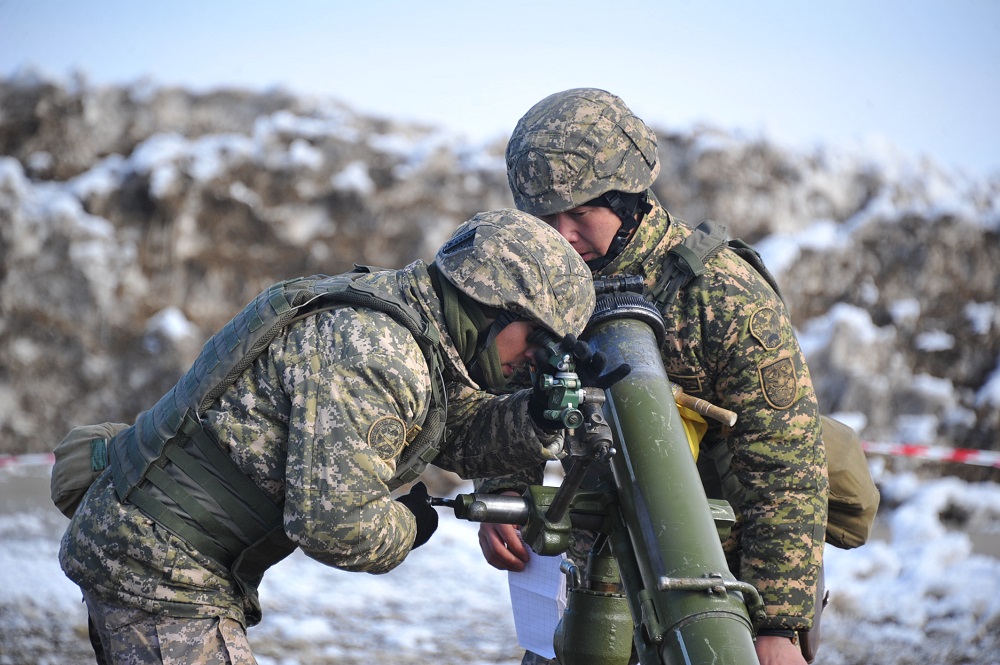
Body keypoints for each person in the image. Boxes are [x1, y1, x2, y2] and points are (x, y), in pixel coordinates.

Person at [58, 208, 597, 665]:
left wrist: (535, 419)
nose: (533, 360)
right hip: (156, 568)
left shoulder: (414, 322)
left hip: (153, 545)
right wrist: (409, 525)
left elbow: (454, 432)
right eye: (535, 339)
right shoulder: (378, 351)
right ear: (491, 305)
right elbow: (336, 525)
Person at [476, 89, 829, 665]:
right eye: (544, 218)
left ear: (628, 197)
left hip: (715, 588)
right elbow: (513, 393)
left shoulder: (722, 294)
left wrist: (779, 625)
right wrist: (505, 492)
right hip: (590, 583)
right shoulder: (538, 283)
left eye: (581, 212)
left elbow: (784, 464)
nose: (561, 234)